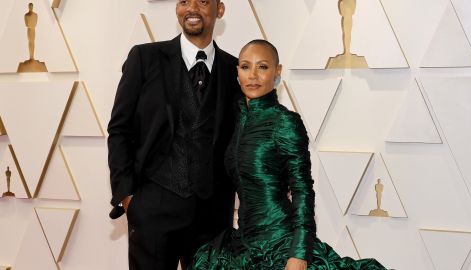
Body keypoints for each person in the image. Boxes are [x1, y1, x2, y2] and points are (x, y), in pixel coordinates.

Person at [190, 40, 388, 270]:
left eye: (262, 67)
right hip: (244, 245)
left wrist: (299, 254)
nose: (253, 75)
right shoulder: (237, 121)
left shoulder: (284, 122)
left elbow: (303, 190)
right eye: (245, 67)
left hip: (281, 245)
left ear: (278, 72)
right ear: (237, 72)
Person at [107, 0, 241, 269]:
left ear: (220, 9)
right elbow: (119, 129)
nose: (191, 8)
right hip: (153, 210)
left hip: (213, 218)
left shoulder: (235, 69)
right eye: (183, 1)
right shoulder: (144, 58)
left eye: (202, 1)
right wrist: (128, 198)